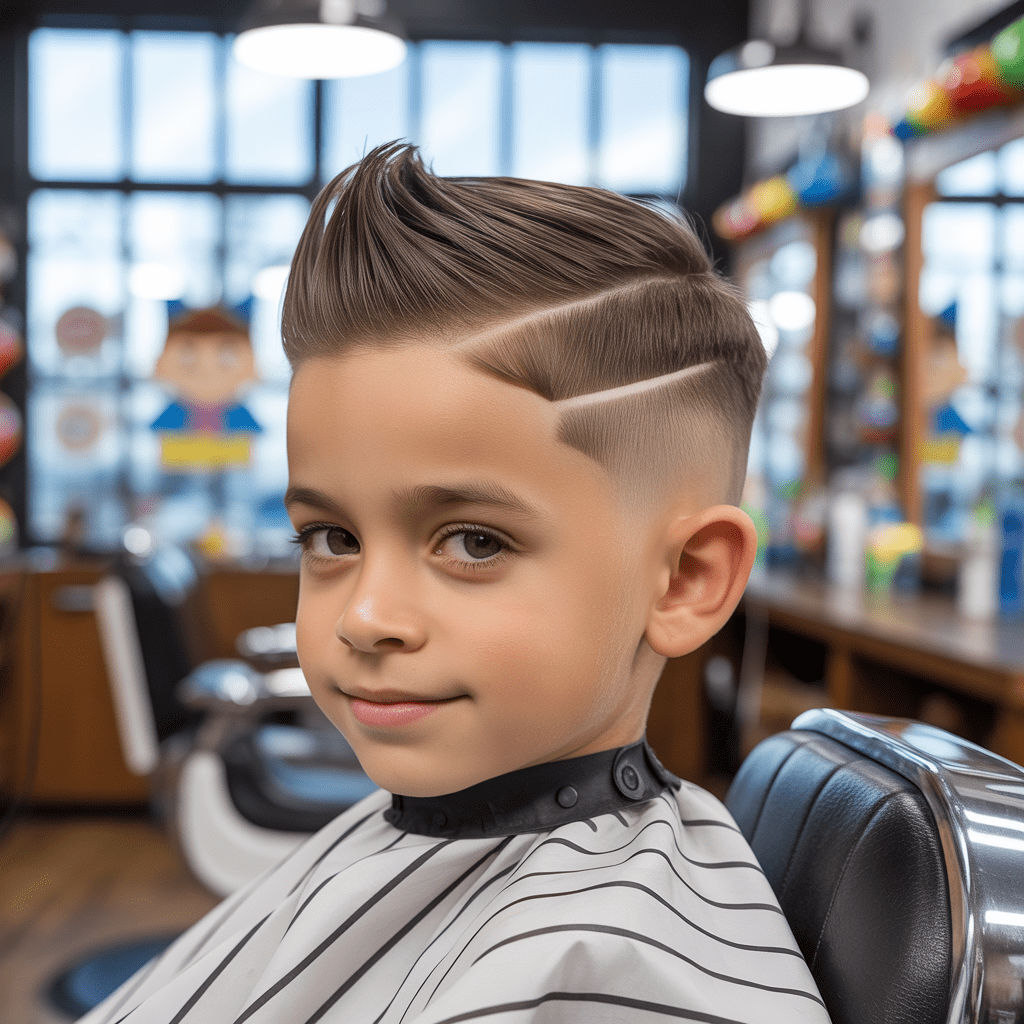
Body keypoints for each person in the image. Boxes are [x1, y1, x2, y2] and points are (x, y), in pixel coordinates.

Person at [85, 142, 830, 1024]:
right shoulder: (408, 830)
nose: (364, 617)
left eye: (474, 542)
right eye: (331, 537)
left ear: (684, 581)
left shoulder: (603, 979)